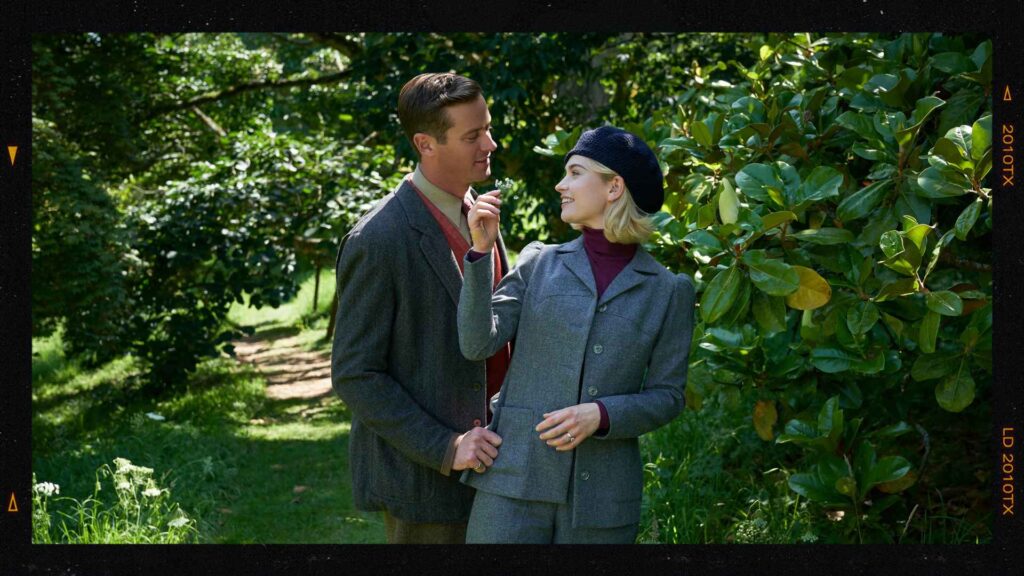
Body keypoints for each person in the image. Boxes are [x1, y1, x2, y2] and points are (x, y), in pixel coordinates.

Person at [457, 126, 696, 543]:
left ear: (614, 187)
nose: (560, 185)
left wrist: (602, 414)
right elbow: (477, 343)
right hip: (512, 482)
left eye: (575, 173)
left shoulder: (668, 290)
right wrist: (480, 252)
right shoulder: (538, 262)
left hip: (602, 502)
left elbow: (668, 396)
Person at [331, 72, 513, 544]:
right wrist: (446, 447)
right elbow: (355, 374)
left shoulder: (480, 213)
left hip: (502, 473)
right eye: (472, 136)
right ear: (425, 144)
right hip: (424, 487)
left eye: (488, 128)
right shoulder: (377, 239)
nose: (490, 144)